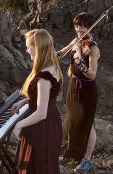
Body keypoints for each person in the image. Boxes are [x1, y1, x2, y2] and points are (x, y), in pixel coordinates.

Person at [12, 29, 63, 174]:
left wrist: (19, 124)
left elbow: (41, 113)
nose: (26, 50)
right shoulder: (53, 66)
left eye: (29, 47)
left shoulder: (43, 79)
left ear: (38, 48)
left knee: (38, 167)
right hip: (51, 122)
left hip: (42, 128)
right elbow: (46, 98)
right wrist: (26, 101)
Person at [57, 12, 100, 173]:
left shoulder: (93, 48)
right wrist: (51, 55)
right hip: (74, 86)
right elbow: (61, 53)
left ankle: (87, 160)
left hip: (87, 90)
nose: (79, 29)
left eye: (82, 26)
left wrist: (81, 63)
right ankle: (71, 153)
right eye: (77, 25)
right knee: (72, 120)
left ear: (89, 26)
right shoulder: (77, 41)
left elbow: (92, 73)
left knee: (87, 125)